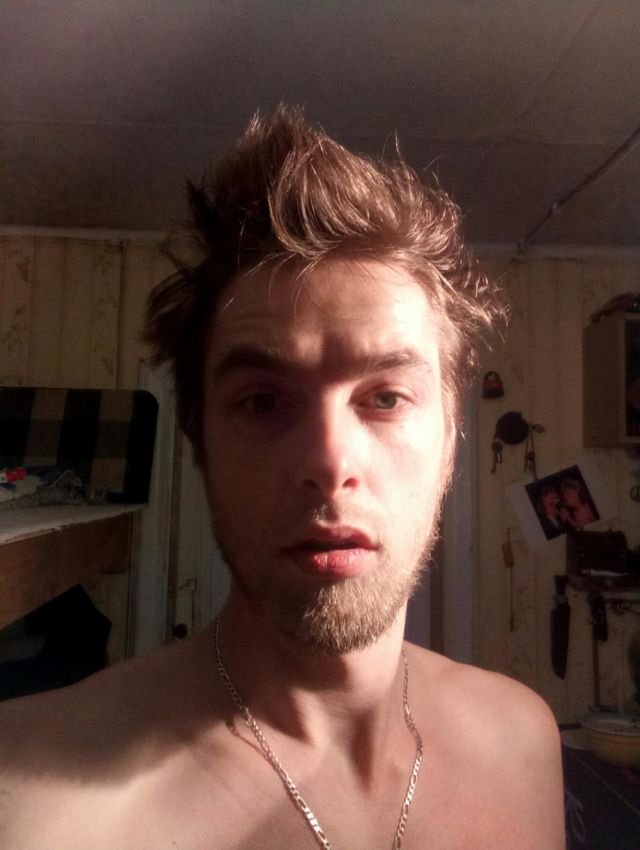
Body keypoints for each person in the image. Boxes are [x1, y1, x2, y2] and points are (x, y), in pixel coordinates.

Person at [0, 106, 565, 849]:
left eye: (386, 398)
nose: (329, 464)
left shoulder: (523, 742)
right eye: (264, 402)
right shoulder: (32, 802)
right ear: (200, 437)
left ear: (451, 437)